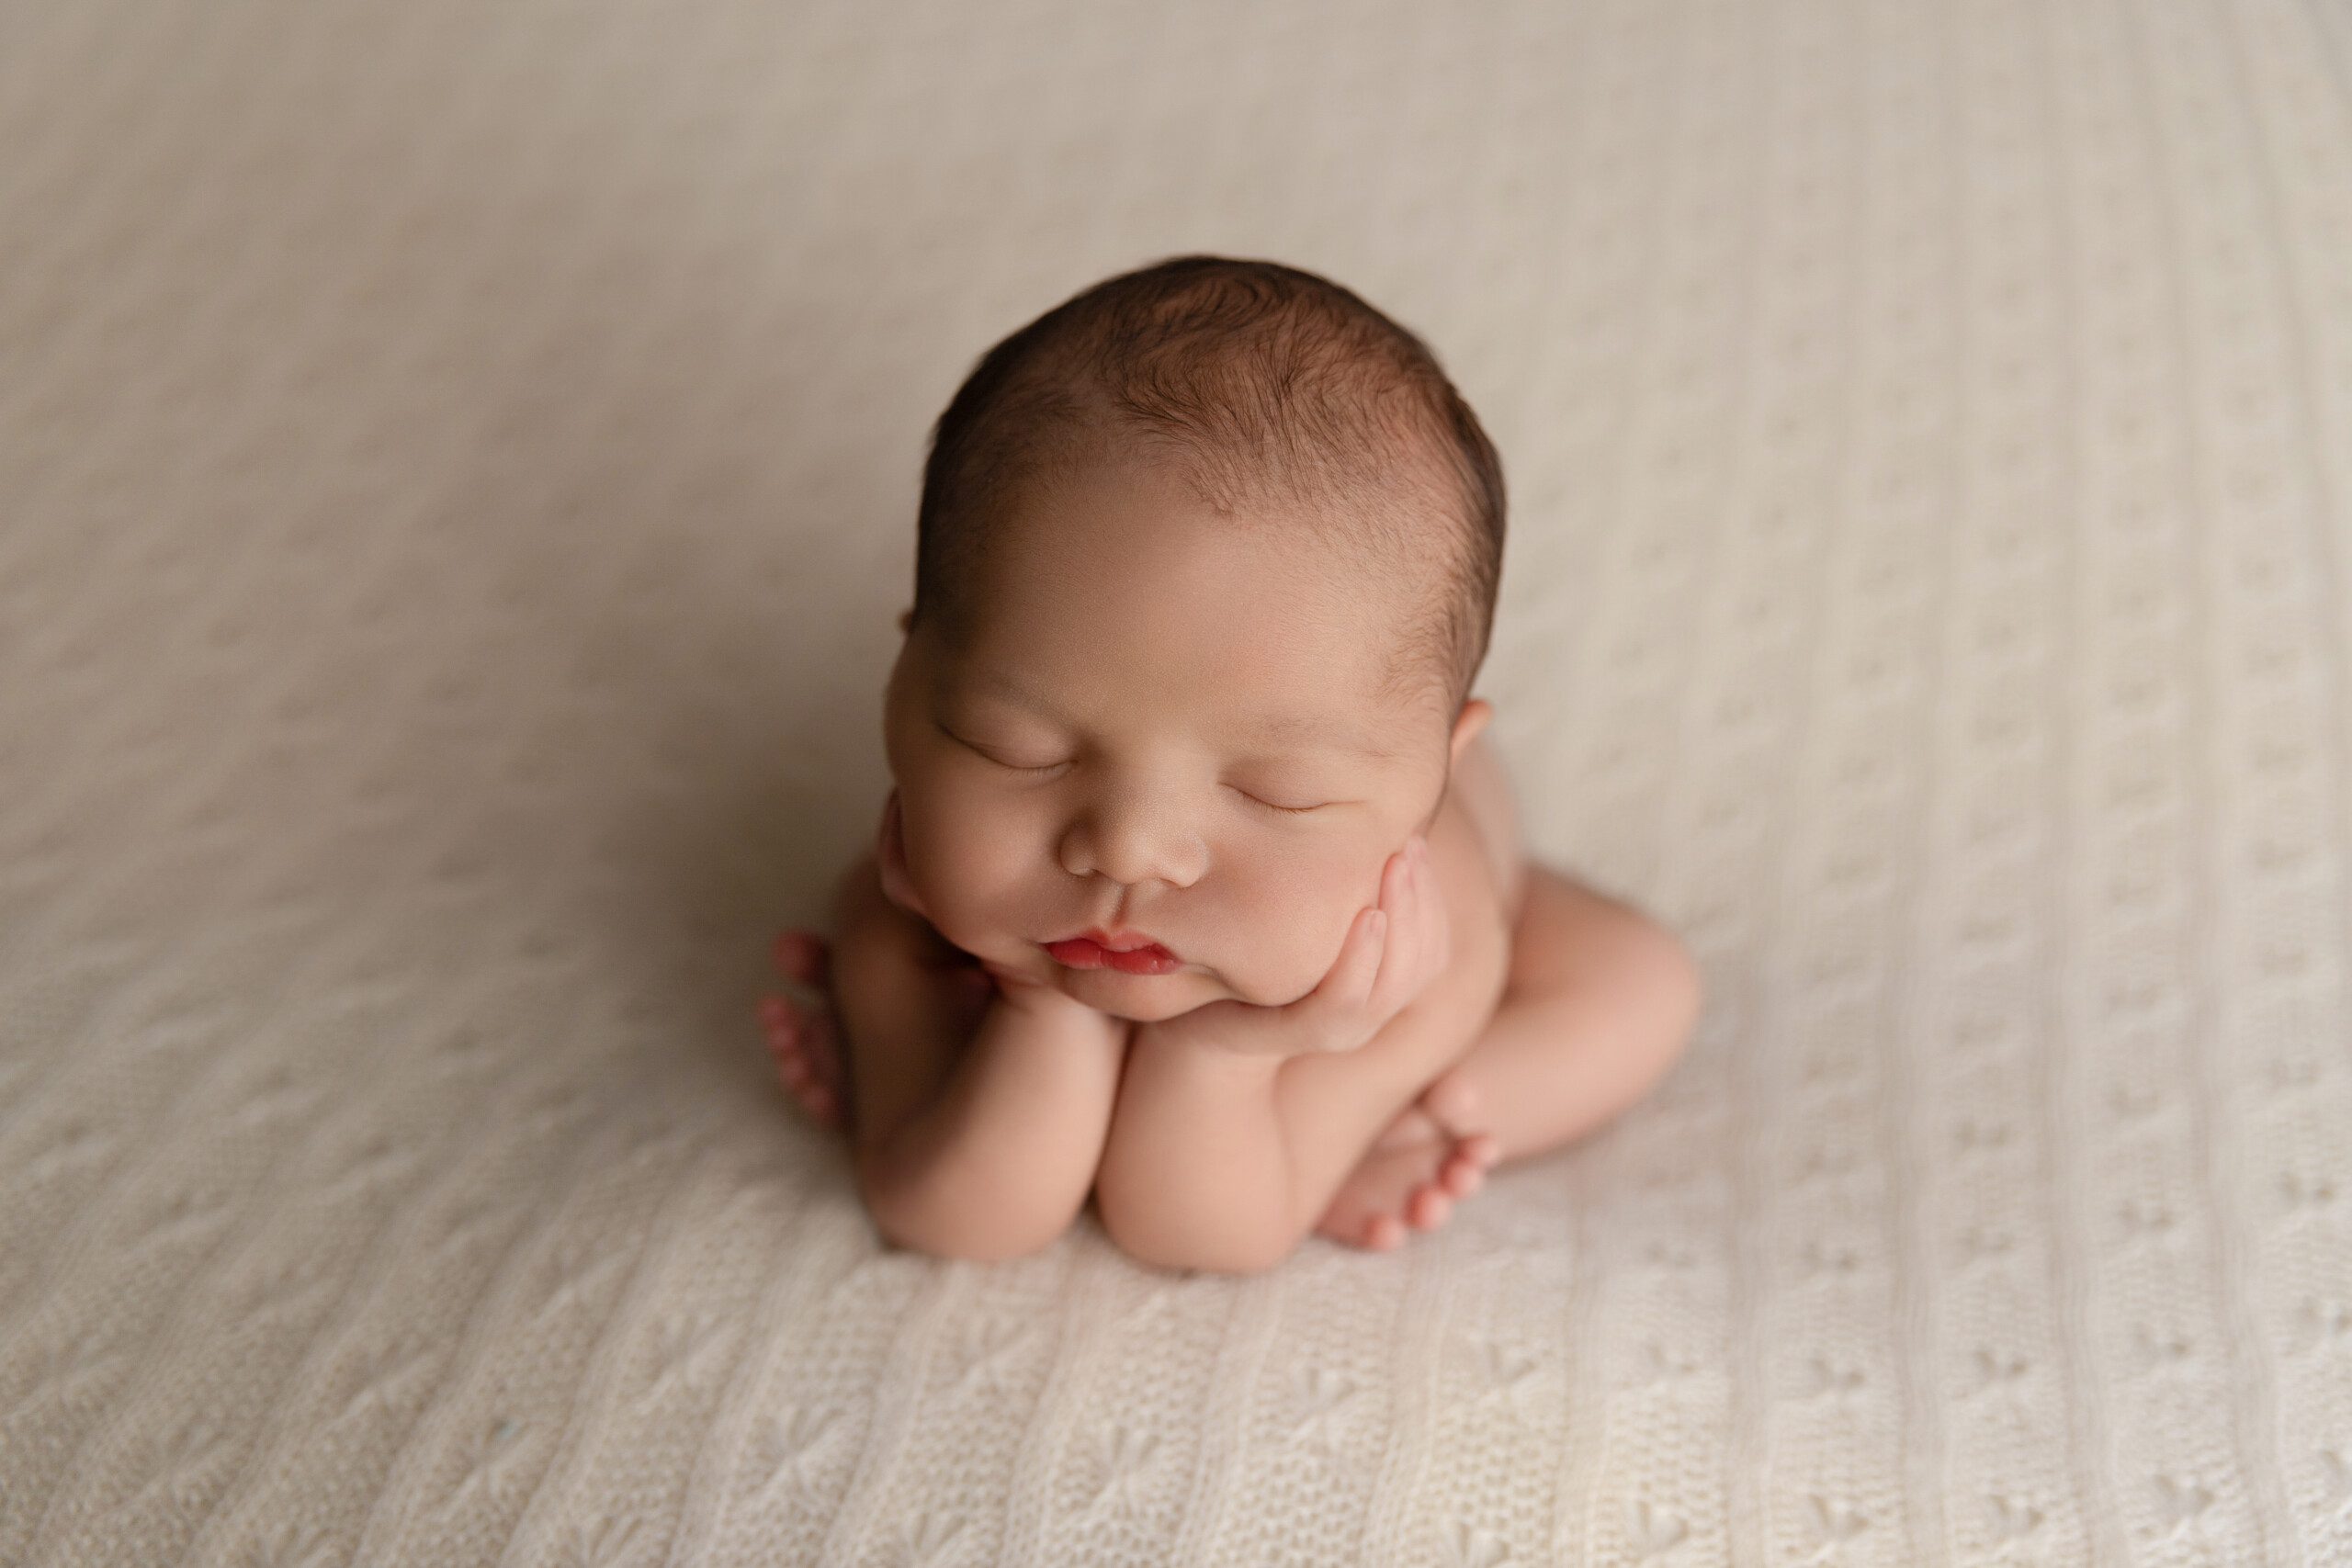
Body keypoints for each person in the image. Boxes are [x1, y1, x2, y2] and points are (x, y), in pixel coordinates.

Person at [758, 254, 1702, 1273]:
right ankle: (1304, 1132)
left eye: (1275, 791)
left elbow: (1198, 1237)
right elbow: (954, 1220)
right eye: (1015, 748)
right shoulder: (908, 908)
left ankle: (1410, 1122)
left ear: (1427, 787)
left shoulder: (1415, 951)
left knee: (1638, 989)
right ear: (909, 687)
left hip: (1436, 960)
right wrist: (1037, 1010)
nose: (1128, 848)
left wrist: (1222, 1055)